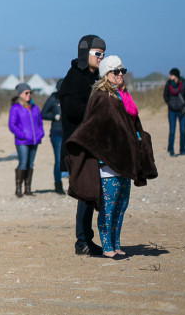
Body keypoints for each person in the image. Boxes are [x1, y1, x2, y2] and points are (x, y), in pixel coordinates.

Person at [66, 56, 158, 258]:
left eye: (122, 70)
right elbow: (93, 127)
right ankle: (107, 246)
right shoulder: (101, 97)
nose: (120, 74)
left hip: (126, 159)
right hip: (108, 162)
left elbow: (131, 124)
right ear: (106, 75)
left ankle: (116, 244)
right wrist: (105, 150)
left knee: (121, 206)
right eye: (115, 71)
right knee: (109, 207)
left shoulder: (124, 96)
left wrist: (140, 140)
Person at [58, 34, 105, 256]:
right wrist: (97, 106)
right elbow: (72, 110)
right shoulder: (73, 79)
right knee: (86, 193)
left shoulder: (96, 77)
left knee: (93, 193)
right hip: (78, 146)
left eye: (103, 54)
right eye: (97, 53)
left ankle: (87, 238)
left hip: (93, 144)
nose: (101, 57)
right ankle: (82, 241)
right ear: (86, 54)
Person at [8, 83, 45, 197]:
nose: (29, 95)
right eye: (26, 93)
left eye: (30, 92)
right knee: (23, 163)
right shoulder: (15, 108)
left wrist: (41, 133)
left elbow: (40, 122)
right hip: (22, 141)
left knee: (30, 164)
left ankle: (28, 189)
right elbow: (12, 124)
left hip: (34, 140)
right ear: (20, 94)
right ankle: (18, 189)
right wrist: (22, 135)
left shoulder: (34, 107)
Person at [40, 80, 65, 193]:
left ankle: (74, 184)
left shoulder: (70, 98)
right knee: (59, 159)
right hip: (56, 133)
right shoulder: (53, 99)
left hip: (69, 133)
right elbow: (43, 114)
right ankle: (58, 185)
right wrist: (54, 116)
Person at [163, 68, 185, 156]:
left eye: (171, 75)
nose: (169, 76)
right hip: (171, 111)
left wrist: (184, 103)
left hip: (182, 111)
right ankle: (171, 150)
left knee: (182, 131)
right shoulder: (168, 83)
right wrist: (169, 103)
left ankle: (183, 150)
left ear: (175, 76)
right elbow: (165, 95)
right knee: (172, 131)